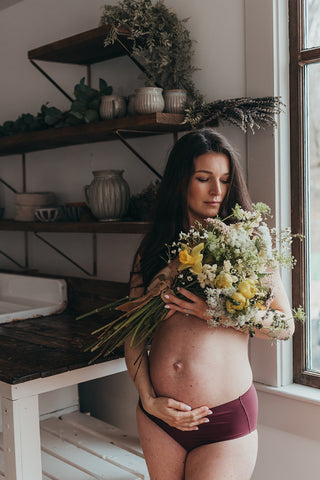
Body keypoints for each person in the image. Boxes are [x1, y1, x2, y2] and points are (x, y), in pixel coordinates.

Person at [125, 128, 294, 480]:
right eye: (204, 179)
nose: (217, 191)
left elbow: (284, 325)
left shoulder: (249, 241)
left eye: (225, 180)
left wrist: (217, 312)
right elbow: (134, 332)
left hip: (224, 419)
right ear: (180, 181)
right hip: (160, 417)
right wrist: (148, 398)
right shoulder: (155, 249)